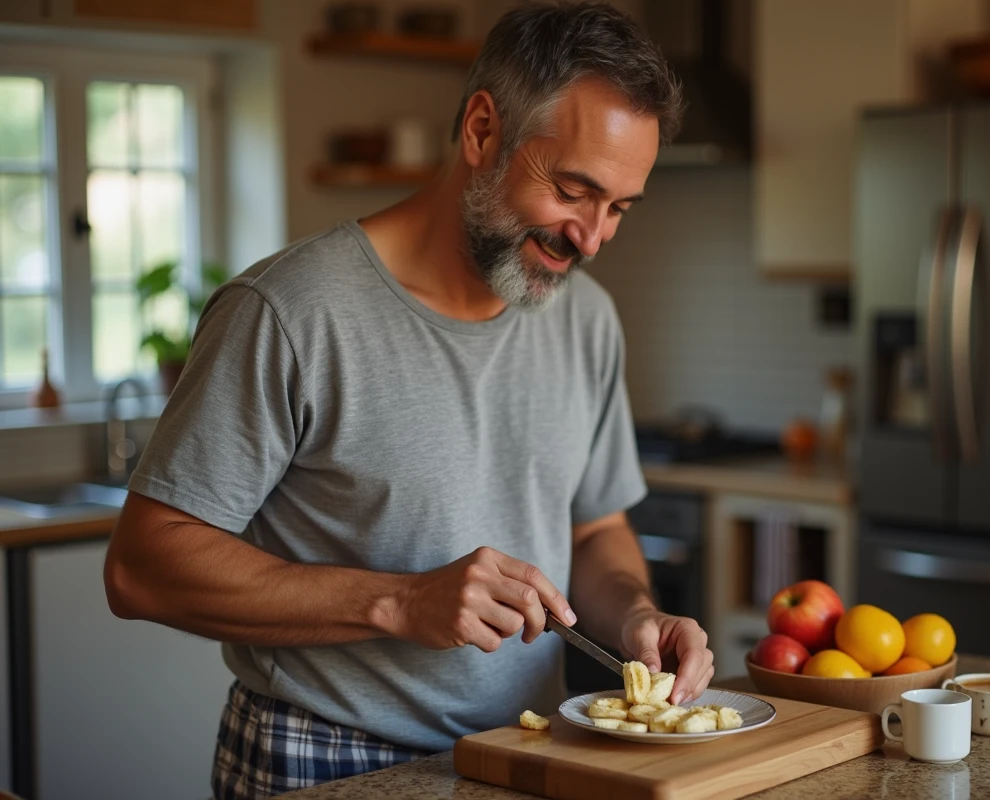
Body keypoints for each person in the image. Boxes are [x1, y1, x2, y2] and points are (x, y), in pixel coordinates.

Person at [102, 2, 713, 797]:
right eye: (573, 190)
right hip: (321, 755)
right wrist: (398, 601)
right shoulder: (289, 312)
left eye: (619, 208)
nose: (593, 238)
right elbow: (141, 569)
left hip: (523, 753)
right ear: (482, 131)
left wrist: (633, 616)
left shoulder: (586, 319)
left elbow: (596, 529)